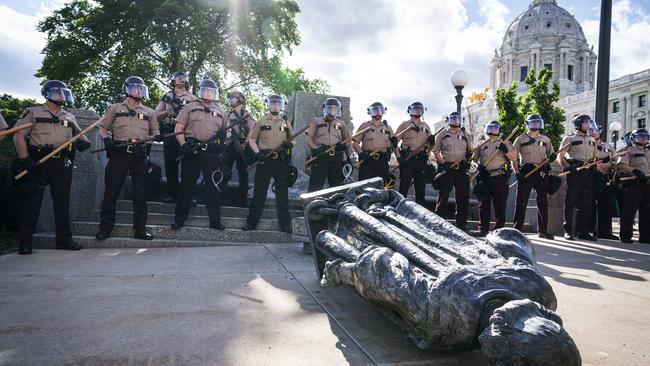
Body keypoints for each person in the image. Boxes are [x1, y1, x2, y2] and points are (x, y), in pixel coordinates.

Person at [13, 80, 90, 254]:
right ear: (47, 93)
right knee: (31, 202)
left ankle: (63, 239)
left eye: (63, 93)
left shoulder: (69, 116)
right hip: (37, 161)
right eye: (57, 92)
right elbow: (18, 137)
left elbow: (82, 137)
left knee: (62, 202)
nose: (61, 96)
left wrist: (82, 143)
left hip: (62, 162)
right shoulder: (32, 112)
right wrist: (25, 159)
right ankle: (25, 242)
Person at [95, 76, 160, 241]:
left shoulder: (149, 112)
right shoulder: (115, 108)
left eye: (141, 88)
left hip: (139, 156)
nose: (138, 91)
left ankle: (140, 230)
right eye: (135, 88)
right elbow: (103, 129)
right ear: (127, 89)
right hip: (119, 153)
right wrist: (107, 140)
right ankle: (105, 228)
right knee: (111, 192)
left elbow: (155, 134)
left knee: (140, 194)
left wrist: (150, 141)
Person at [171, 79, 228, 231]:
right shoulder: (190, 107)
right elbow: (179, 128)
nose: (208, 93)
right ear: (201, 91)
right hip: (193, 152)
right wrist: (183, 145)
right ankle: (179, 219)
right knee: (186, 186)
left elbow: (228, 133)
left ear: (215, 93)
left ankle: (215, 221)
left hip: (212, 154)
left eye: (211, 91)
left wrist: (223, 137)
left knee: (213, 188)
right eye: (206, 90)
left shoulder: (222, 112)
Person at [241, 95, 294, 232]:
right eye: (273, 103)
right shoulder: (261, 121)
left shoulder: (286, 123)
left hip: (280, 161)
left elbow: (293, 140)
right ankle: (251, 223)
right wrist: (258, 153)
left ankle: (285, 224)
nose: (276, 106)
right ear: (268, 105)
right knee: (259, 192)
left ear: (281, 105)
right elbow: (252, 140)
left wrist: (289, 146)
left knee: (282, 194)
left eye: (278, 103)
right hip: (265, 160)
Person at [155, 71, 197, 203]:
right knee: (170, 163)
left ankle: (187, 195)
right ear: (173, 80)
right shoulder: (166, 97)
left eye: (183, 78)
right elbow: (155, 115)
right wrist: (166, 113)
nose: (181, 79)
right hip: (170, 132)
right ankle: (172, 194)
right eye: (178, 77)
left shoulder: (193, 98)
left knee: (188, 164)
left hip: (186, 133)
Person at [512, 114, 556, 240]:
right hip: (526, 171)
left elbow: (551, 154)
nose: (535, 125)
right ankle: (517, 230)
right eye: (533, 123)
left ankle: (543, 230)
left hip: (541, 171)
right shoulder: (520, 139)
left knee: (543, 202)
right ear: (528, 124)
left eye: (538, 123)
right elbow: (514, 158)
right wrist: (517, 173)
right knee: (521, 201)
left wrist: (551, 158)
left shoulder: (546, 139)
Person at [471, 121, 516, 237]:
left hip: (499, 176)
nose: (493, 131)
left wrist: (505, 151)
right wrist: (477, 166)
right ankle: (483, 229)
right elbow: (474, 160)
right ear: (486, 129)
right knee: (483, 205)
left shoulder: (505, 143)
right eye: (490, 128)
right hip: (485, 177)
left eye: (495, 129)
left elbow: (514, 158)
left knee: (499, 205)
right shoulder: (481, 144)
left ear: (499, 130)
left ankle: (499, 231)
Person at [558, 115, 598, 241]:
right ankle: (568, 230)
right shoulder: (569, 138)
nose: (588, 125)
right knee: (570, 201)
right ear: (578, 124)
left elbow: (595, 156)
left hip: (588, 173)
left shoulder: (592, 139)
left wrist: (600, 160)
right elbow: (560, 156)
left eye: (588, 123)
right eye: (585, 123)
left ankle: (583, 231)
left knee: (586, 203)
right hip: (575, 172)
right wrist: (568, 166)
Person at [432, 111, 472, 230]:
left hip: (461, 169)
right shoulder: (442, 134)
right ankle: (439, 224)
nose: (455, 121)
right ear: (448, 120)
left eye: (457, 119)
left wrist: (469, 157)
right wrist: (443, 164)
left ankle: (462, 225)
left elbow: (471, 150)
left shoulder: (465, 134)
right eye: (453, 119)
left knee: (463, 198)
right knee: (443, 196)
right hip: (447, 169)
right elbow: (435, 151)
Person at [306, 97, 352, 192]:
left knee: (337, 187)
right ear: (325, 109)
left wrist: (346, 153)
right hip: (320, 156)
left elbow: (348, 140)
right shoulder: (317, 121)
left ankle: (336, 206)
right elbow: (309, 139)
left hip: (336, 158)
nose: (332, 111)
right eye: (330, 108)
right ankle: (311, 206)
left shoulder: (341, 124)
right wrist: (315, 149)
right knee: (315, 186)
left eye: (335, 109)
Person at [395, 102, 434, 205]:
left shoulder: (426, 126)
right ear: (410, 111)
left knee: (421, 189)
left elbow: (431, 147)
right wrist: (399, 158)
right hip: (408, 159)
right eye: (415, 109)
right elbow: (394, 142)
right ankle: (399, 209)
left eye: (419, 109)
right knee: (403, 188)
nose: (417, 112)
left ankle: (421, 212)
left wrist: (432, 142)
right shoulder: (404, 125)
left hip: (421, 160)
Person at [222, 90, 256, 206]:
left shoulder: (247, 114)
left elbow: (253, 129)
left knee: (243, 173)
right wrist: (229, 139)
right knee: (225, 170)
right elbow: (226, 131)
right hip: (230, 145)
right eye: (230, 97)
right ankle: (221, 197)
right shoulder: (227, 115)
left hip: (243, 145)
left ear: (240, 99)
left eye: (233, 97)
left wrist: (245, 143)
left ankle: (243, 200)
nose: (231, 99)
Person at [616, 128, 650, 244]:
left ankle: (645, 236)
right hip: (633, 183)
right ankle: (626, 235)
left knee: (647, 211)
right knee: (629, 211)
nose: (643, 139)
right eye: (640, 137)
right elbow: (620, 165)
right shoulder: (628, 150)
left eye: (645, 136)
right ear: (633, 138)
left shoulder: (649, 151)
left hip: (647, 184)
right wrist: (635, 171)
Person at [588, 125, 619, 240]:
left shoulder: (608, 146)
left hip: (605, 178)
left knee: (606, 205)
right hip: (590, 177)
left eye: (596, 131)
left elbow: (616, 160)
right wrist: (595, 167)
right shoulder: (585, 144)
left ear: (600, 132)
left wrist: (612, 166)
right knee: (589, 205)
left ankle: (605, 232)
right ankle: (590, 230)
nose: (593, 133)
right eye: (591, 130)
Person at [353, 102, 396, 183]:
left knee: (381, 188)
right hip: (367, 161)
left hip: (382, 162)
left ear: (383, 112)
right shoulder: (365, 126)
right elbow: (355, 143)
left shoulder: (388, 128)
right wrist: (361, 153)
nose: (377, 113)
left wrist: (394, 143)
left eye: (379, 111)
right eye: (375, 111)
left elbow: (394, 144)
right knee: (365, 187)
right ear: (370, 112)